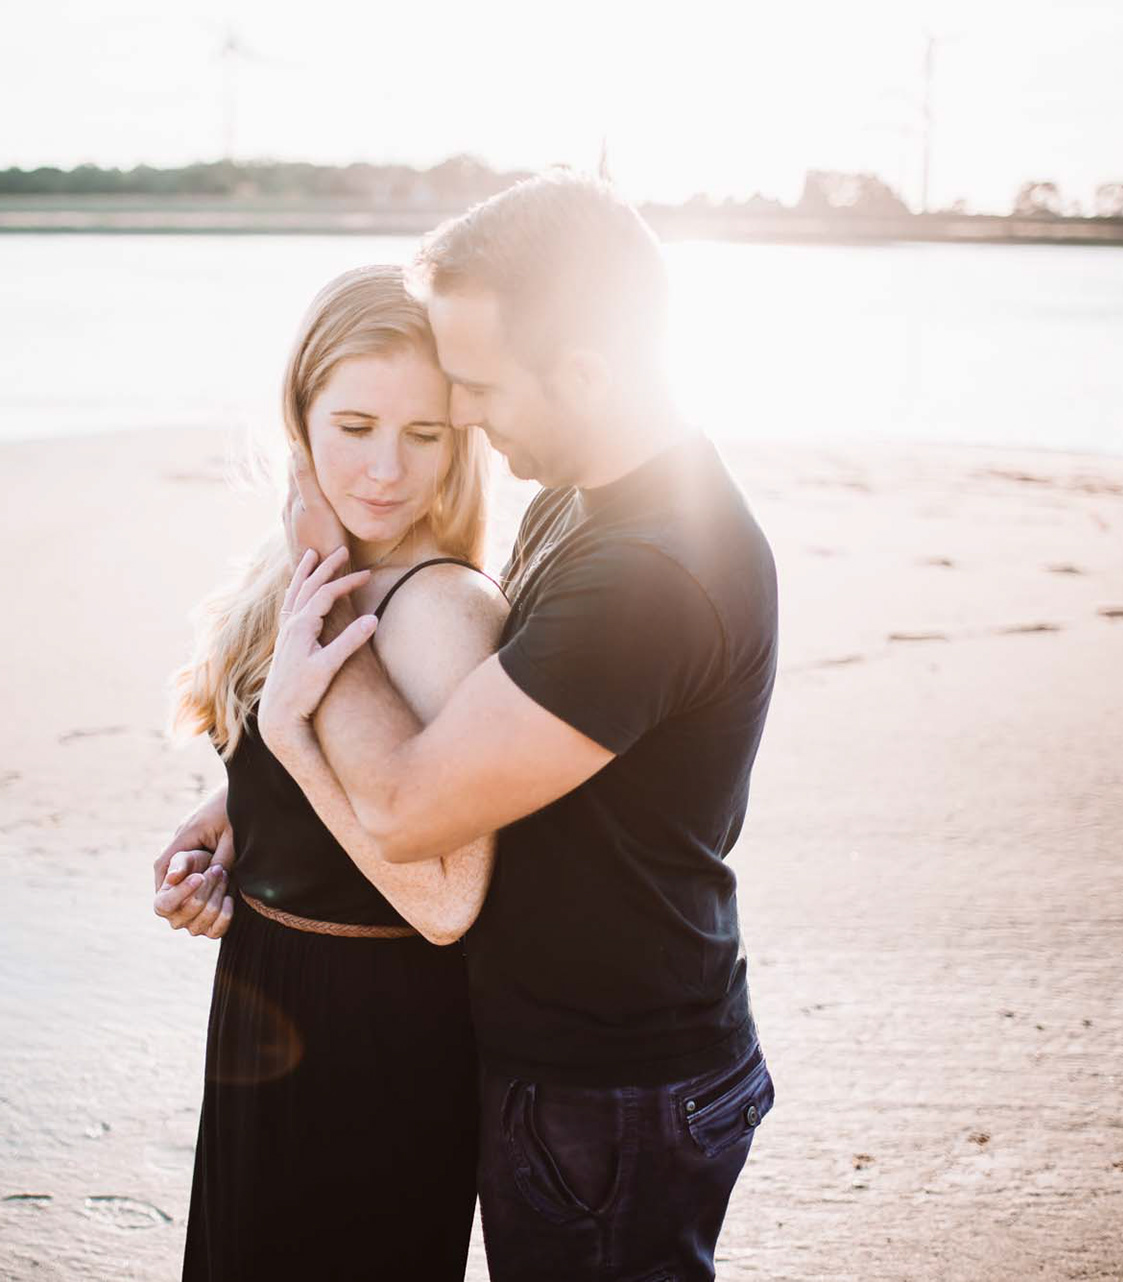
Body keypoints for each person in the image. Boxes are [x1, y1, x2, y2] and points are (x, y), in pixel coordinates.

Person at [253, 171, 781, 1281]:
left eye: (479, 387)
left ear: (582, 373)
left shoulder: (649, 574)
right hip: (608, 1060)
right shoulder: (587, 500)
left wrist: (329, 580)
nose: (468, 417)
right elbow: (476, 717)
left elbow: (404, 802)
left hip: (613, 1088)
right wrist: (241, 800)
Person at [157, 263, 508, 1281]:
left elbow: (448, 903)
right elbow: (330, 773)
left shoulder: (441, 608)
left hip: (380, 1042)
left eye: (424, 434)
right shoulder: (308, 566)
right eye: (354, 426)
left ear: (462, 441)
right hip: (267, 992)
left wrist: (295, 750)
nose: (387, 470)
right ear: (299, 419)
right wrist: (235, 824)